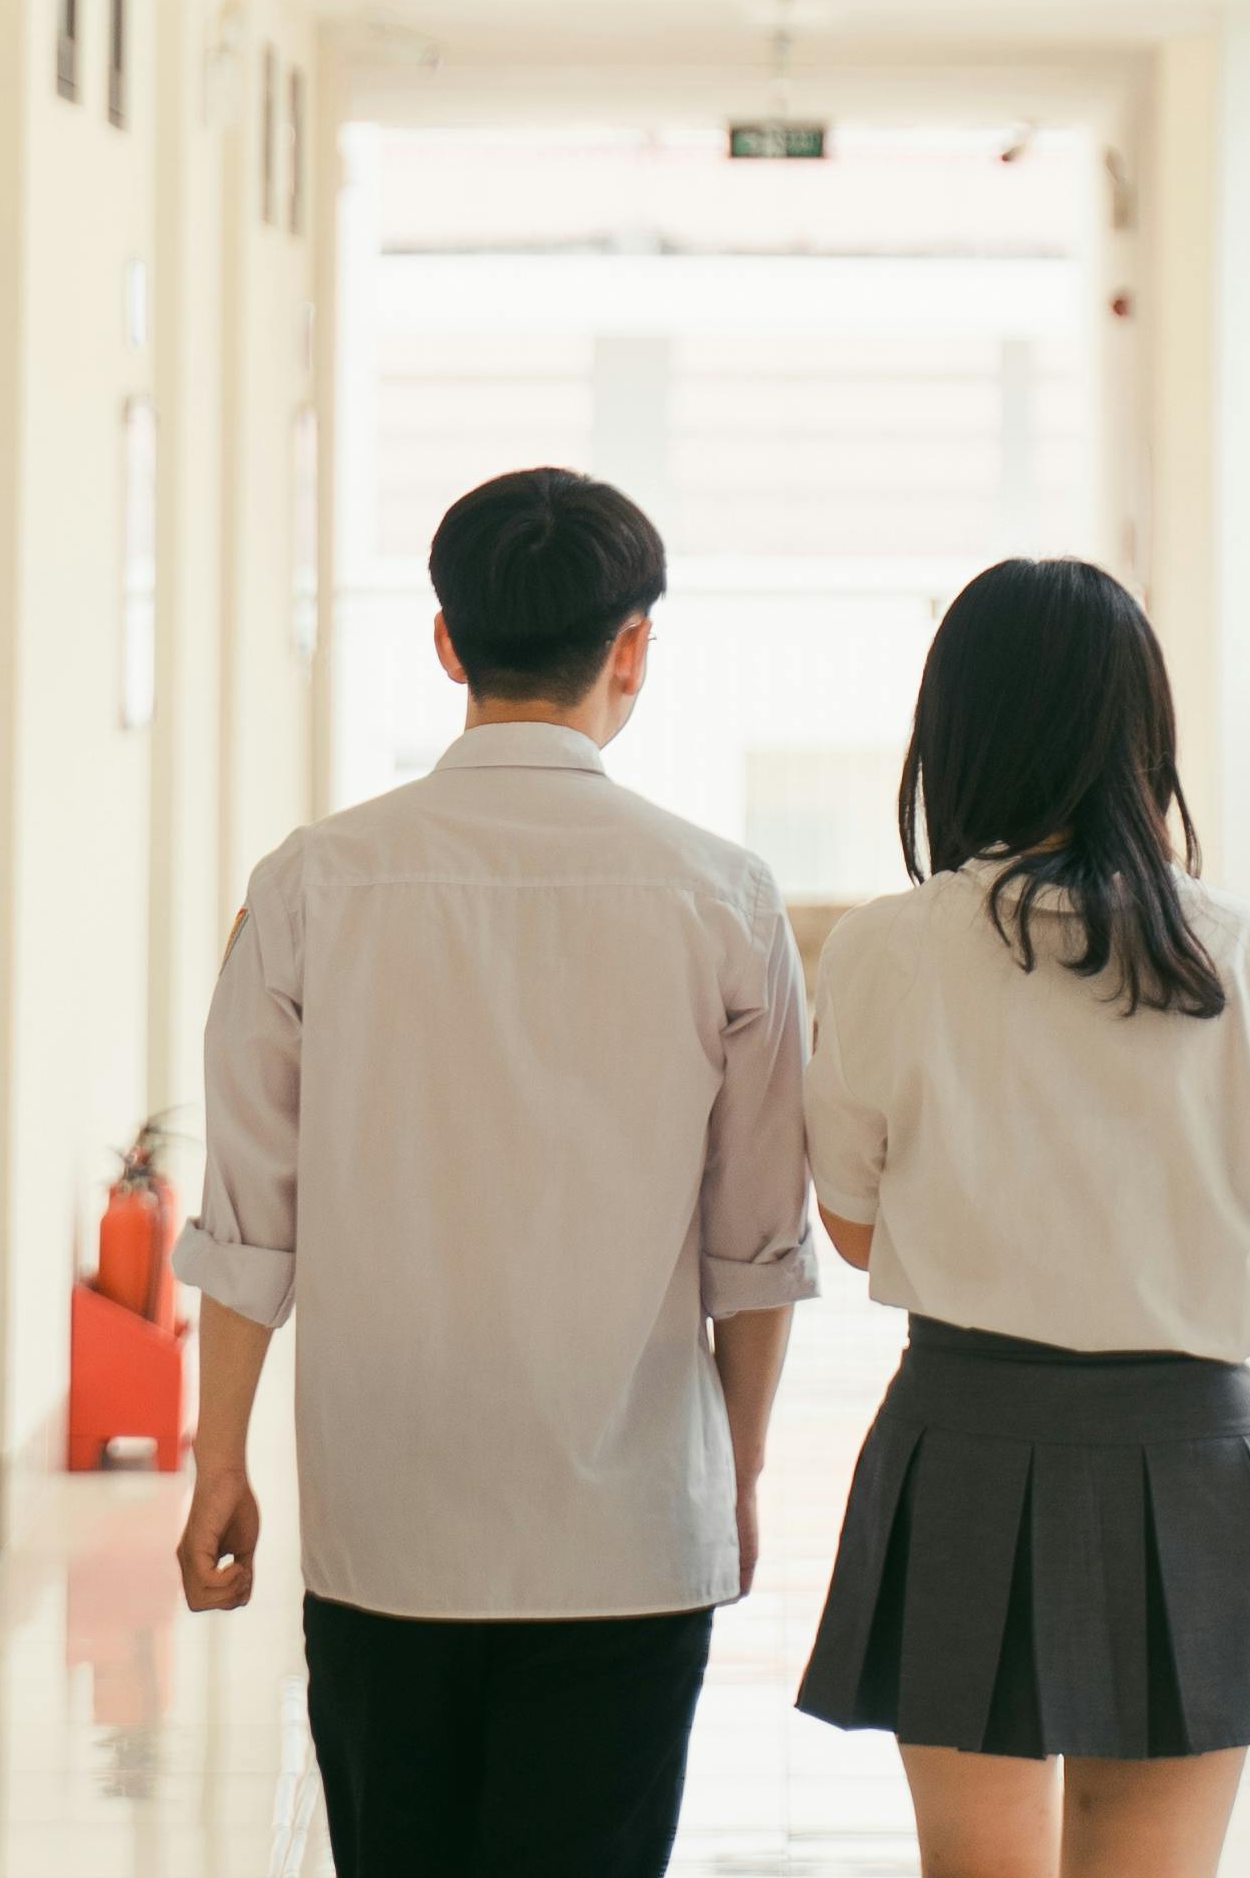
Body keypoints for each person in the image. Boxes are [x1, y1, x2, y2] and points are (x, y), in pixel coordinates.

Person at [168, 466, 820, 1878]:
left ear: (449, 642)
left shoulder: (309, 886)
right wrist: (742, 1469)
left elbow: (248, 1218)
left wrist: (219, 1459)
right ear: (632, 647)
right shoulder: (724, 898)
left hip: (385, 1522)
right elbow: (756, 1243)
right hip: (632, 1528)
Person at [795, 556, 1250, 1878]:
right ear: (1146, 738)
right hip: (1192, 1466)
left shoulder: (888, 951)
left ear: (949, 734)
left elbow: (851, 1232)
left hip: (960, 1445)